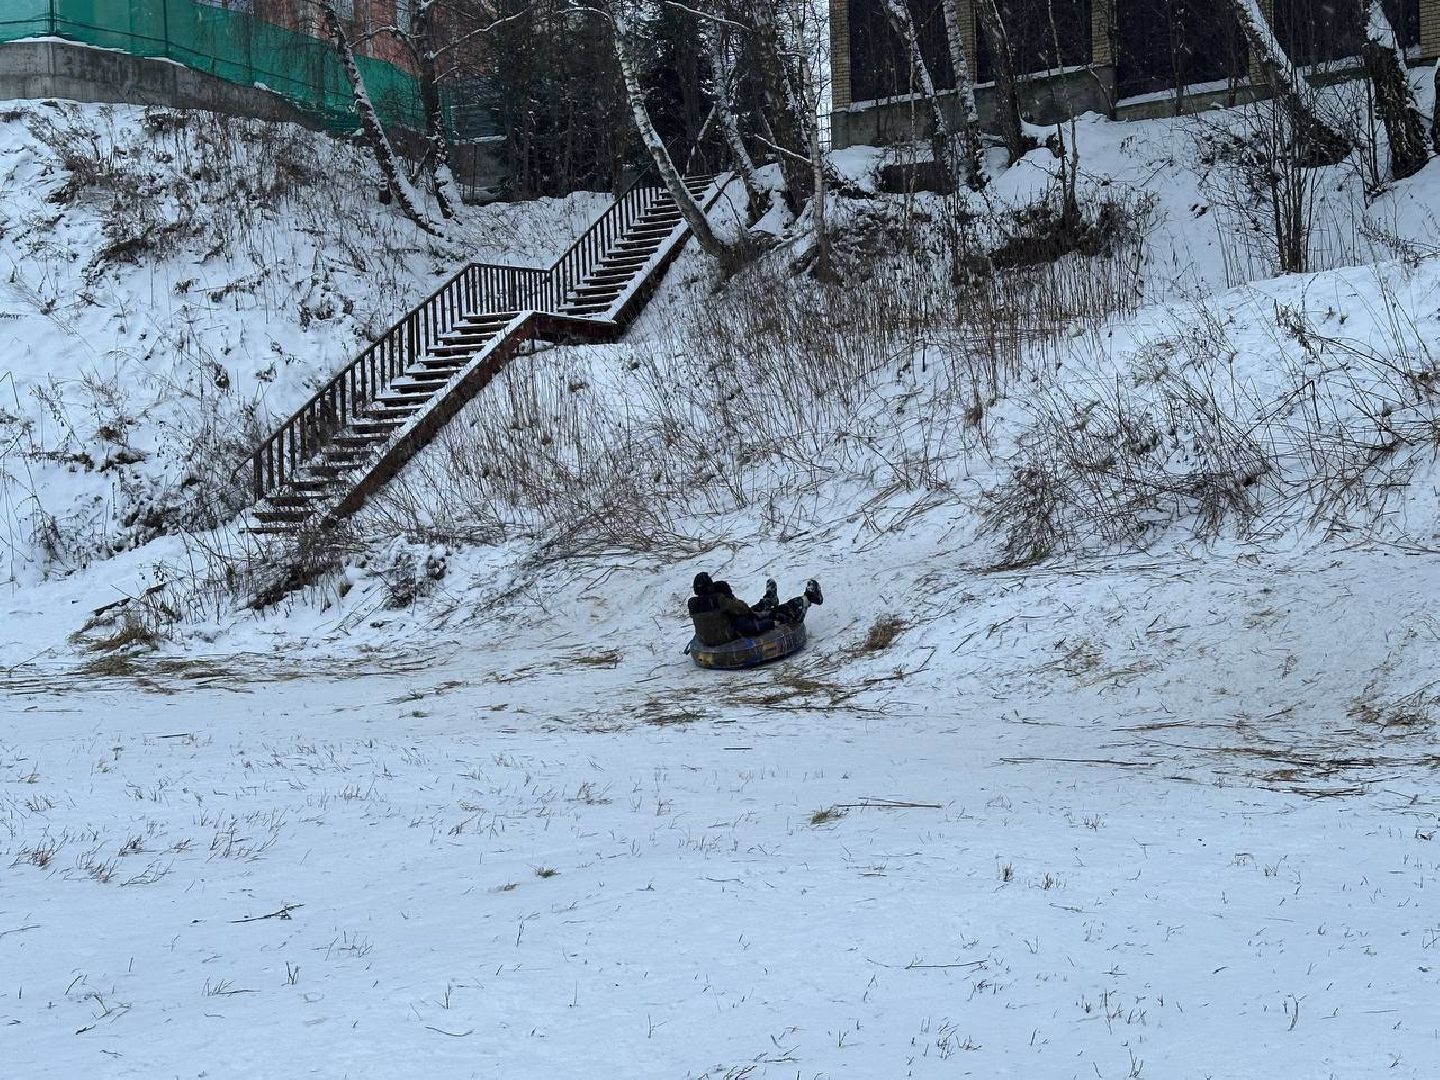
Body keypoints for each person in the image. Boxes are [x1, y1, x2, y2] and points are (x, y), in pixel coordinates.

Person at [687, 572, 823, 646]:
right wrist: (729, 597)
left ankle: (769, 599)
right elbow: (743, 611)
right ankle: (807, 599)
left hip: (709, 639)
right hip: (730, 634)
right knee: (771, 614)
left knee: (754, 612)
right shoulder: (719, 600)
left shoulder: (692, 604)